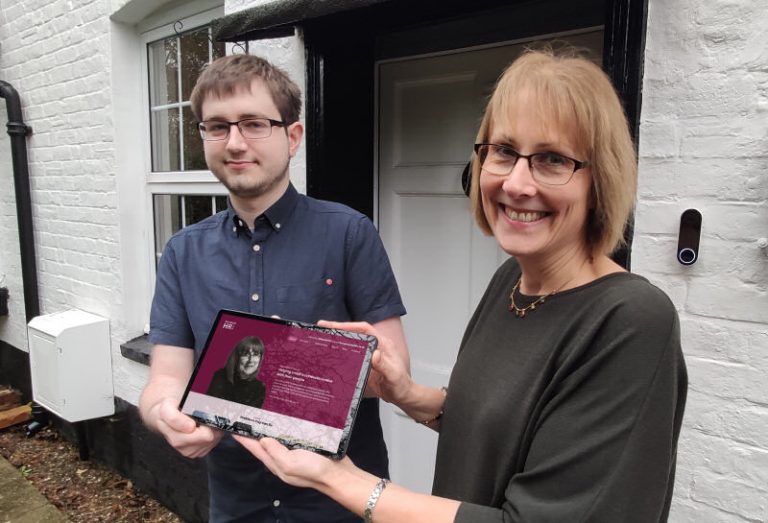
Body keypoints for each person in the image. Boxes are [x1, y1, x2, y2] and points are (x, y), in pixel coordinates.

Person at [235, 47, 688, 522]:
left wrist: (342, 480)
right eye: (504, 151)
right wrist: (405, 392)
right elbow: (497, 431)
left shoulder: (630, 322)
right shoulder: (512, 281)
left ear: (601, 180)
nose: (516, 183)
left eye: (552, 159)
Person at [138, 54, 409, 522]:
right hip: (237, 501)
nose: (235, 142)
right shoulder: (183, 252)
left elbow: (394, 369)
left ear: (293, 136)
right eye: (217, 126)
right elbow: (165, 378)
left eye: (254, 124)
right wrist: (165, 412)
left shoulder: (349, 233)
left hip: (340, 498)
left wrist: (292, 364)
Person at [207, 336, 267, 408]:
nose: (251, 360)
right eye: (246, 354)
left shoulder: (259, 388)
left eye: (255, 355)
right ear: (237, 357)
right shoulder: (221, 376)